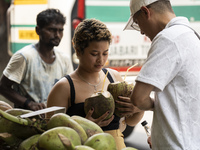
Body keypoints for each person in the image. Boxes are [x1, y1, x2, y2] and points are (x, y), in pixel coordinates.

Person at [47, 18, 144, 150]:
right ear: (78, 50)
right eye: (94, 54)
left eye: (105, 53)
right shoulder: (64, 88)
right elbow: (52, 136)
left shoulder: (114, 77)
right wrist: (85, 127)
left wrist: (137, 109)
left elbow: (127, 122)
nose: (101, 60)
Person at [124, 0, 200, 149]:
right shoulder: (192, 36)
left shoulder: (168, 38)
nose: (141, 32)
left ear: (146, 12)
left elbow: (138, 98)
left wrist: (147, 105)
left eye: (138, 23)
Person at [0, 8, 73, 111]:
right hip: (26, 121)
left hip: (54, 118)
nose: (57, 35)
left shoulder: (64, 59)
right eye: (52, 30)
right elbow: (3, 87)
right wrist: (28, 104)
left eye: (60, 30)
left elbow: (68, 91)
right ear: (38, 30)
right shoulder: (24, 57)